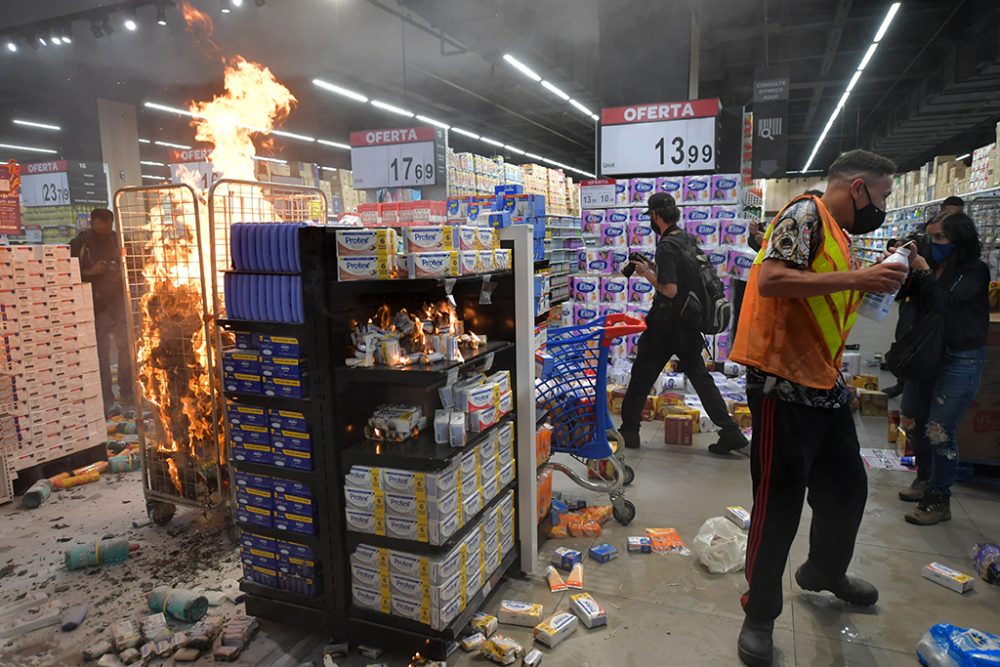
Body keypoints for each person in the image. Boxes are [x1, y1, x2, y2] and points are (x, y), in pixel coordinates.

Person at [729, 149, 910, 667]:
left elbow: (825, 297)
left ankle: (825, 570)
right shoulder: (804, 215)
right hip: (781, 386)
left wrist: (878, 275)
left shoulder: (838, 231)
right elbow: (773, 280)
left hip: (823, 383)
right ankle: (759, 613)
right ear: (858, 188)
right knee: (778, 505)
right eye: (882, 196)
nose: (882, 206)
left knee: (848, 487)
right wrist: (859, 279)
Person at [619, 192, 748, 455]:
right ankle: (730, 432)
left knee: (642, 375)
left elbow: (669, 289)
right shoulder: (685, 239)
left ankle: (629, 430)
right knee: (701, 378)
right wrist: (654, 266)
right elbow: (684, 275)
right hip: (689, 323)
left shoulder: (666, 245)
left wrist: (646, 275)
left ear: (655, 216)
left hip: (666, 323)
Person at [896, 211, 989, 525]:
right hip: (926, 356)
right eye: (930, 236)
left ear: (959, 240)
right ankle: (924, 476)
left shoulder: (975, 270)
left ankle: (939, 498)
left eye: (940, 238)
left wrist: (922, 273)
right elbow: (907, 301)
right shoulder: (931, 267)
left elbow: (945, 303)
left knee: (939, 431)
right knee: (910, 418)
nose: (933, 244)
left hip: (960, 358)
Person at [883, 195, 965, 399]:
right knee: (905, 336)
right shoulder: (923, 232)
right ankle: (903, 380)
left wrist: (924, 269)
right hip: (916, 301)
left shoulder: (968, 266)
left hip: (940, 318)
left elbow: (944, 303)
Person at [70, 208, 134, 410]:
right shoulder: (79, 244)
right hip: (94, 306)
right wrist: (92, 271)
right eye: (100, 230)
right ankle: (106, 397)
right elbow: (68, 276)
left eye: (107, 230)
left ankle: (127, 390)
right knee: (101, 352)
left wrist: (120, 272)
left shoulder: (118, 240)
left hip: (119, 303)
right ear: (91, 223)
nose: (104, 234)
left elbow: (134, 266)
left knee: (126, 349)